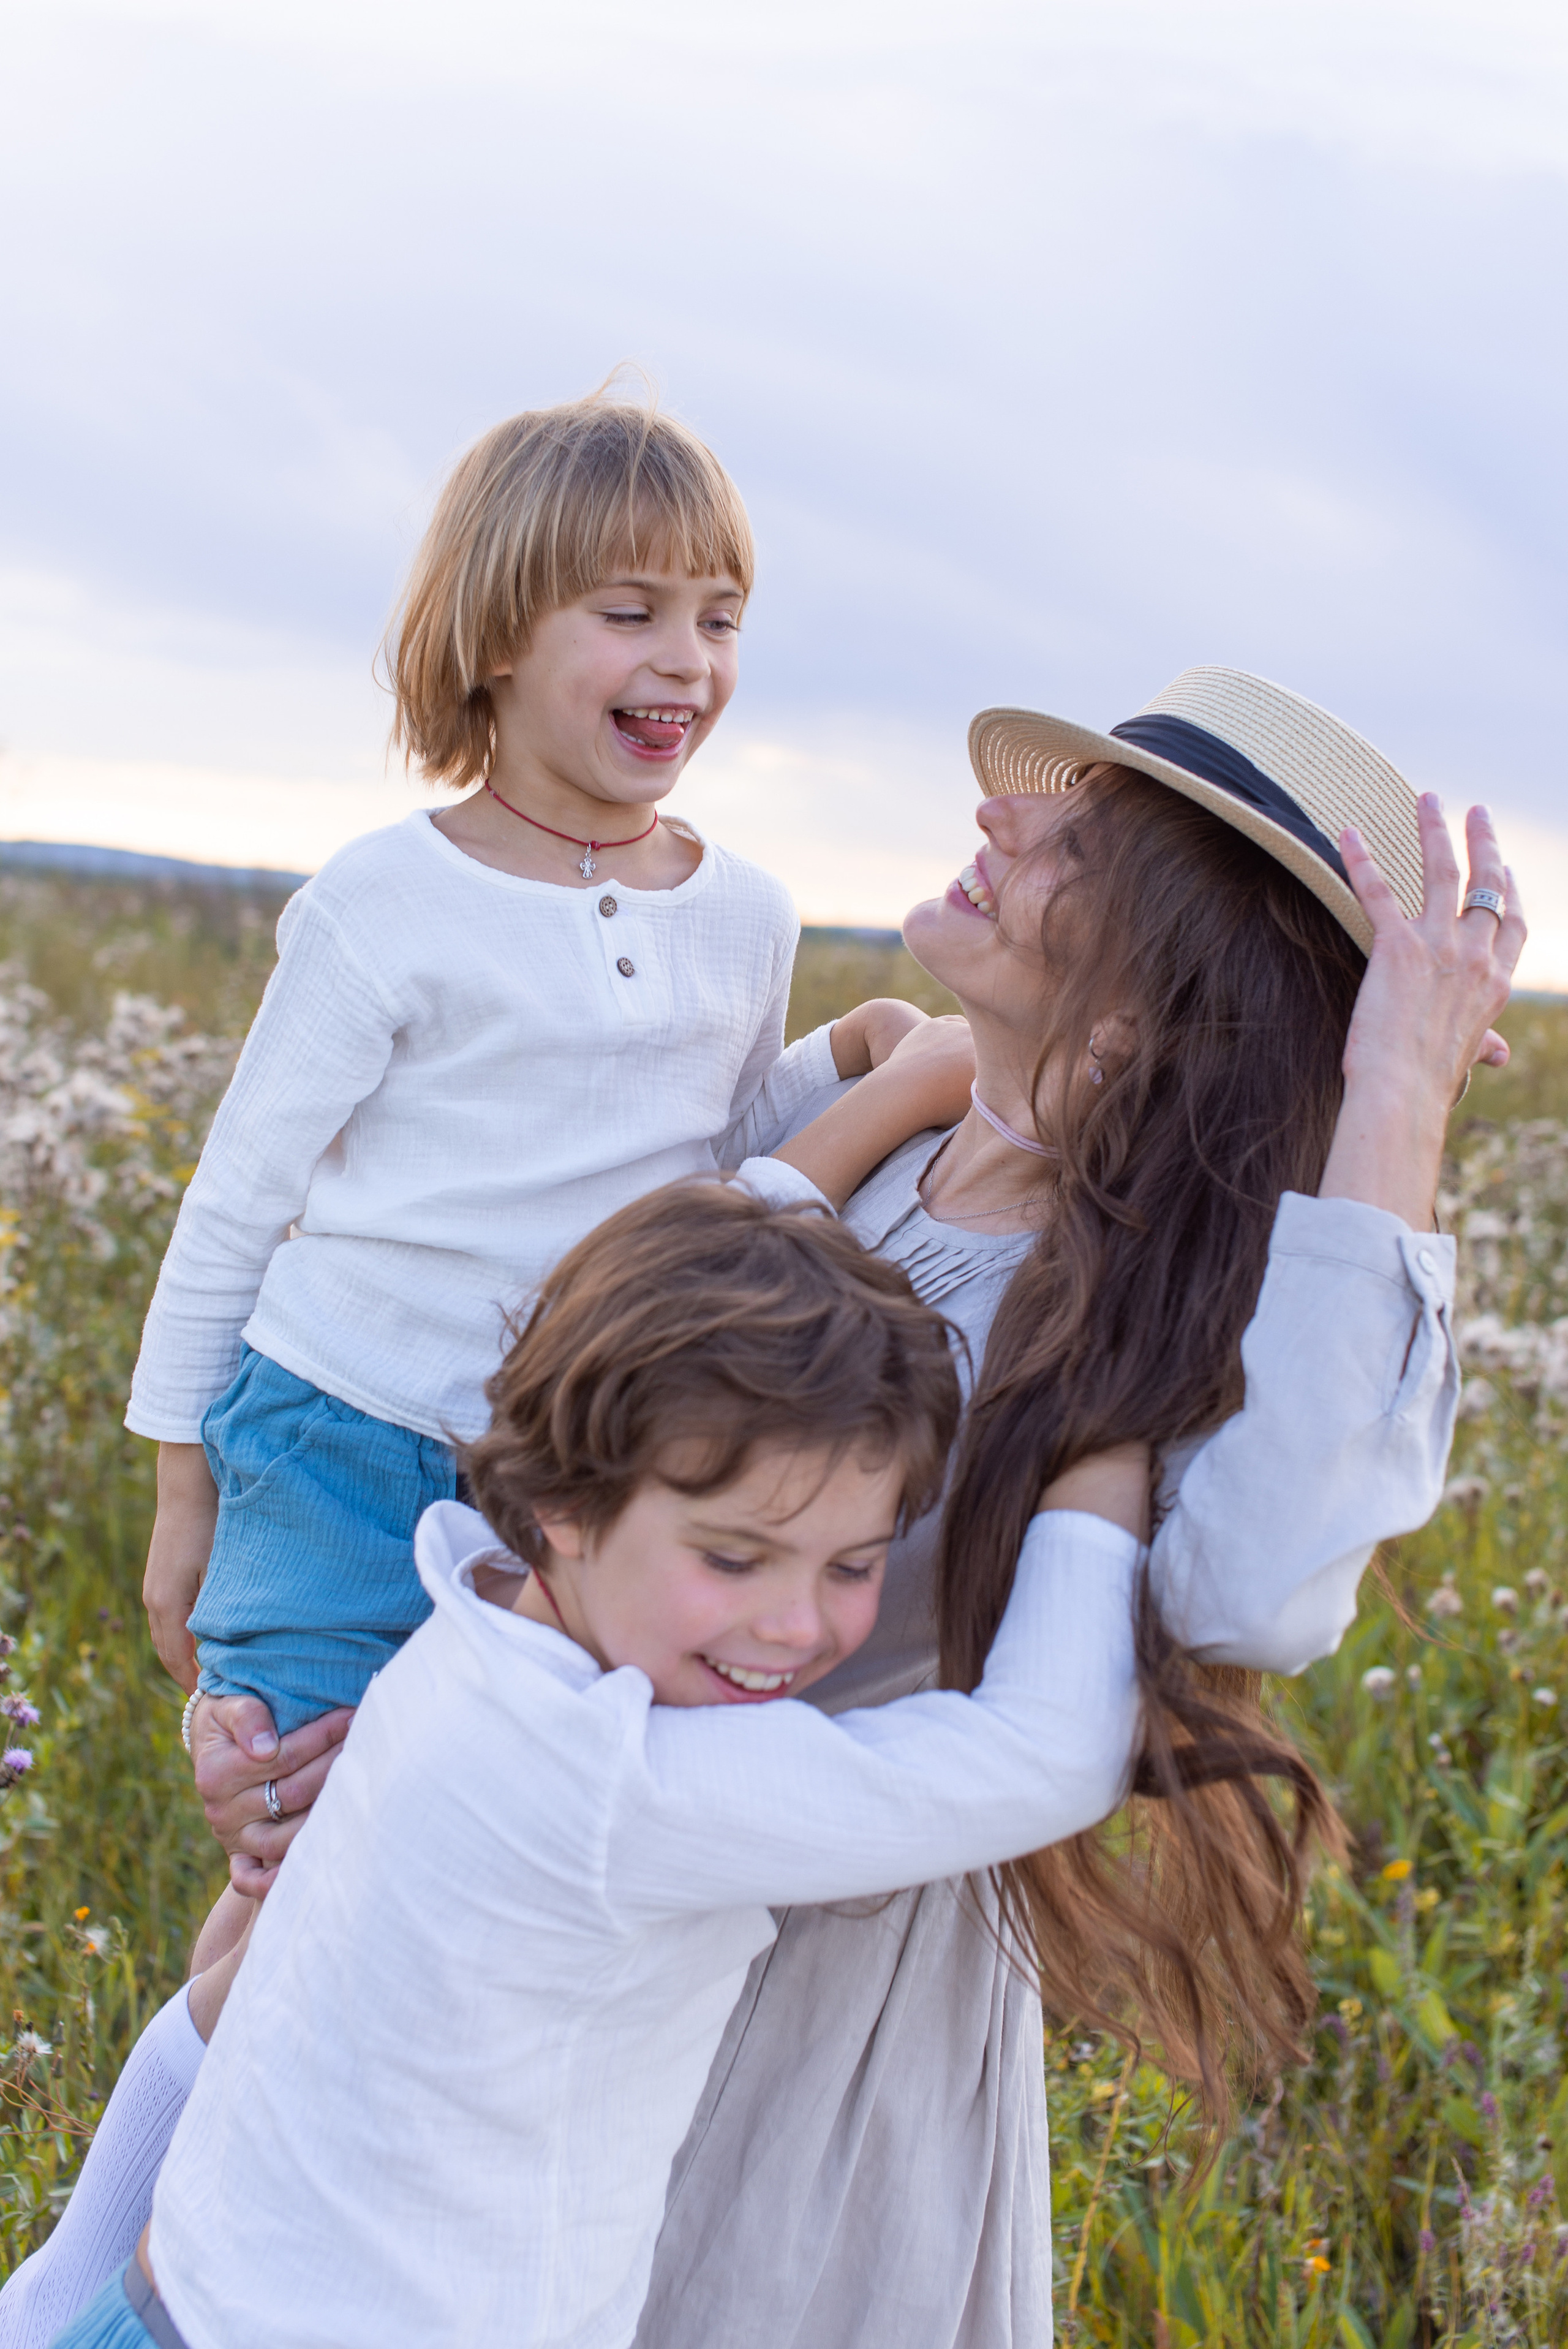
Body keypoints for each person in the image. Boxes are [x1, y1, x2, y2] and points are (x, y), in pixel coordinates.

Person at [0, 386, 967, 2348]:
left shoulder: (746, 908)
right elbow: (233, 1204)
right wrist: (183, 1478)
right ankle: (103, 2298)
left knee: (436, 1924)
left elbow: (694, 1161)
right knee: (297, 1881)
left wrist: (846, 1065)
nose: (683, 660)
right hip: (340, 1439)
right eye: (629, 611)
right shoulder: (386, 905)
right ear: (495, 632)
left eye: (717, 616)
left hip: (557, 1469)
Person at [630, 667, 1523, 2347]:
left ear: (1144, 1005)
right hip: (572, 1890)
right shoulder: (871, 1149)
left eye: (1080, 846)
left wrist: (1392, 1100)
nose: (997, 812)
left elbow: (1260, 1590)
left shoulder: (1155, 1301)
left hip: (802, 2031)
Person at [56, 1180, 1159, 2348]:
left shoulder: (472, 1622)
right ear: (561, 1504)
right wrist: (1114, 1418)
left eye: (853, 1564)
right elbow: (1045, 1754)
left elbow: (234, 2018)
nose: (796, 1624)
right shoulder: (610, 1782)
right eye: (737, 1556)